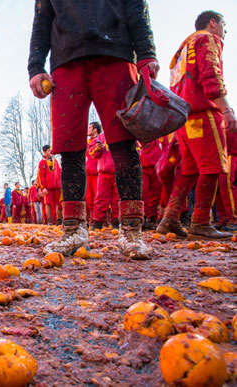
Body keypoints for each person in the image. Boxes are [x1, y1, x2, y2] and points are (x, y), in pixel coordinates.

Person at [28, 0, 159, 259]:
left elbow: (136, 5)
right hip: (65, 59)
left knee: (123, 141)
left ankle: (132, 229)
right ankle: (74, 229)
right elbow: (42, 18)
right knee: (69, 147)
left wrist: (146, 52)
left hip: (116, 52)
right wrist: (35, 66)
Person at [157, 10, 237, 240]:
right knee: (214, 165)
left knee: (189, 170)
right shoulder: (208, 39)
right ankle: (201, 222)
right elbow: (211, 74)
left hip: (184, 116)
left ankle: (170, 218)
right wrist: (226, 108)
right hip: (203, 112)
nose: (224, 31)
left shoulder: (182, 49)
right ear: (213, 23)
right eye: (223, 25)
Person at [89, 128, 120, 229]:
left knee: (117, 199)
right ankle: (97, 222)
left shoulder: (120, 133)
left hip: (118, 172)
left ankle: (116, 221)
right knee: (101, 198)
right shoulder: (100, 137)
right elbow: (91, 152)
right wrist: (97, 149)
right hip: (104, 173)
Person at [140, 138, 164, 230]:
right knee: (143, 193)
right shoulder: (144, 129)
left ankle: (150, 219)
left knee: (156, 194)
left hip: (158, 166)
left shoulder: (164, 132)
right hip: (144, 166)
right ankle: (142, 218)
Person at [38, 145, 62, 225]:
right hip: (48, 187)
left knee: (59, 204)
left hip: (57, 187)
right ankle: (50, 221)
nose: (50, 152)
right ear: (44, 152)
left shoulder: (55, 161)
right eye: (49, 150)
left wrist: (61, 184)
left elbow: (59, 173)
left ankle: (59, 221)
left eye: (51, 150)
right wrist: (43, 188)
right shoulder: (42, 162)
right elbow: (41, 176)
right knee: (48, 204)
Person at [85, 123, 100, 221]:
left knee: (99, 196)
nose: (88, 129)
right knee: (89, 197)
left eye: (90, 127)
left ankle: (102, 219)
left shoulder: (101, 140)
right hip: (88, 172)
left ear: (95, 129)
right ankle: (92, 219)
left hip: (98, 172)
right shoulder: (86, 142)